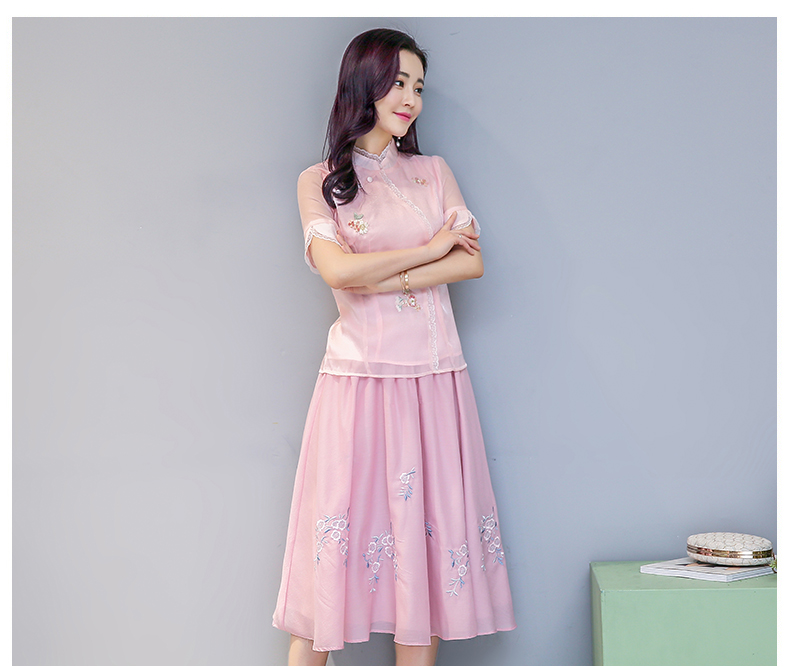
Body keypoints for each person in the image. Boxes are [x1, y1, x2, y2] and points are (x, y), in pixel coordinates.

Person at [272, 28, 516, 666]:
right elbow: (336, 271)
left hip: (434, 381)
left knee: (423, 575)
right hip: (356, 383)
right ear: (365, 84)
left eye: (418, 87)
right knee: (328, 573)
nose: (411, 99)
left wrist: (387, 277)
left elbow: (472, 263)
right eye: (398, 82)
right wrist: (430, 250)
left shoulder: (433, 173)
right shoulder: (319, 181)